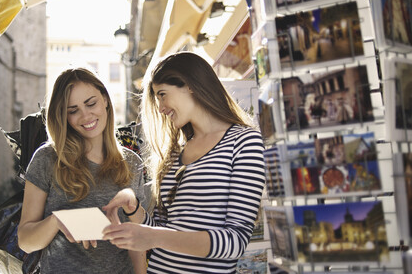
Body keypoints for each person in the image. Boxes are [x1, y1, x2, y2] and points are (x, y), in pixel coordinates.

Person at [102, 52, 266, 273]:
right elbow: (162, 230)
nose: (160, 108)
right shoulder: (174, 153)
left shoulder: (245, 141)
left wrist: (153, 236)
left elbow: (234, 242)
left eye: (162, 95)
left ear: (190, 85)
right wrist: (133, 208)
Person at [17, 67, 146, 273]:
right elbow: (25, 241)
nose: (86, 116)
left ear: (105, 99)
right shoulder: (48, 159)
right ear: (63, 116)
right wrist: (58, 220)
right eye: (73, 110)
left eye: (91, 103)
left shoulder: (132, 163)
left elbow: (137, 241)